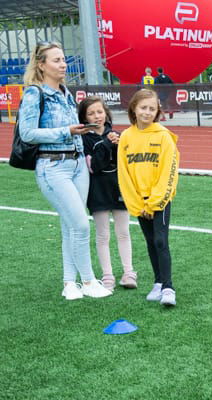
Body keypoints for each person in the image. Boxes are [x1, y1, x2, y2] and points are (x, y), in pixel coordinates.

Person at [18, 41, 112, 300]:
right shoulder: (34, 94)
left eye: (63, 59)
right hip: (53, 166)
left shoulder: (66, 92)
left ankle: (69, 283)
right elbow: (27, 133)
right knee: (81, 225)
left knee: (70, 225)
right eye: (57, 60)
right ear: (41, 64)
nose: (63, 64)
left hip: (77, 163)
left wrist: (80, 132)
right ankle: (89, 280)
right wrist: (66, 131)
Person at [118, 89, 180, 307]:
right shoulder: (126, 137)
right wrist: (138, 204)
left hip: (159, 201)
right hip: (139, 202)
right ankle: (158, 282)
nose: (147, 112)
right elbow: (124, 174)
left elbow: (168, 174)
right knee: (150, 241)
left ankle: (168, 287)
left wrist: (154, 203)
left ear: (158, 112)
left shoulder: (164, 137)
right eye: (143, 107)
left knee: (161, 240)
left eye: (152, 109)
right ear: (134, 108)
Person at [78, 96, 137, 291]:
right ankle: (108, 275)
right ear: (84, 117)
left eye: (100, 111)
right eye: (91, 113)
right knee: (103, 235)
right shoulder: (83, 139)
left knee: (123, 232)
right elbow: (94, 166)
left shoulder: (117, 134)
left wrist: (119, 145)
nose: (97, 116)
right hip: (97, 192)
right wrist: (106, 144)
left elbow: (127, 163)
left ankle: (129, 272)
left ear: (106, 112)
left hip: (119, 189)